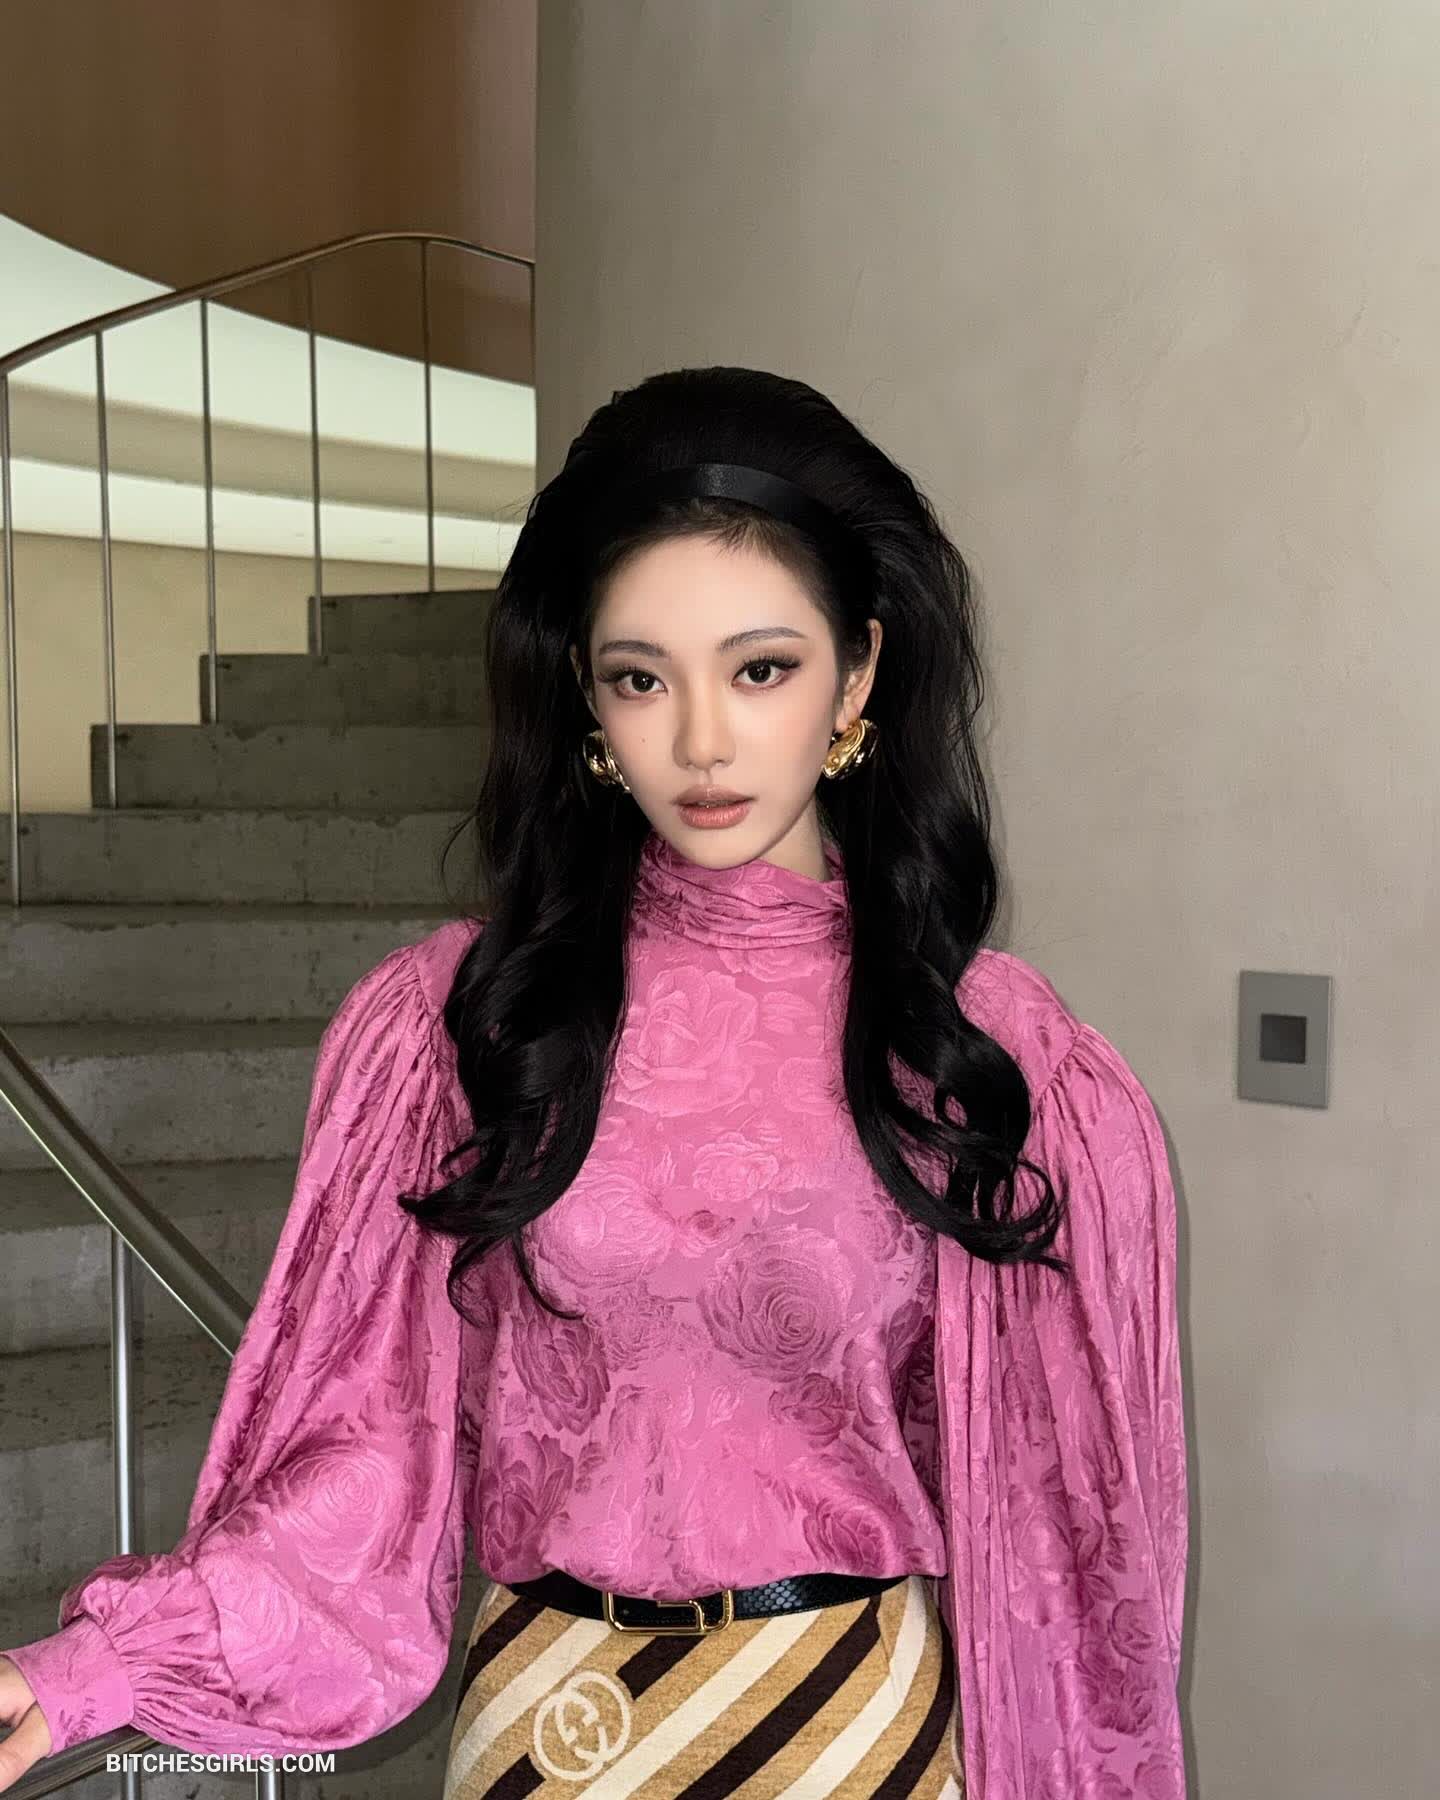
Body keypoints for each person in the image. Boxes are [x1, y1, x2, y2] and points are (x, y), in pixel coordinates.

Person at [0, 366, 1188, 1797]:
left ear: (859, 674)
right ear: (584, 694)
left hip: (847, 1735)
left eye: (761, 669)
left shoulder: (984, 1053)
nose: (700, 741)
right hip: (547, 1733)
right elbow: (366, 1455)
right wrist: (86, 1674)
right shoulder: (462, 1023)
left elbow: (1067, 1555)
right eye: (641, 677)